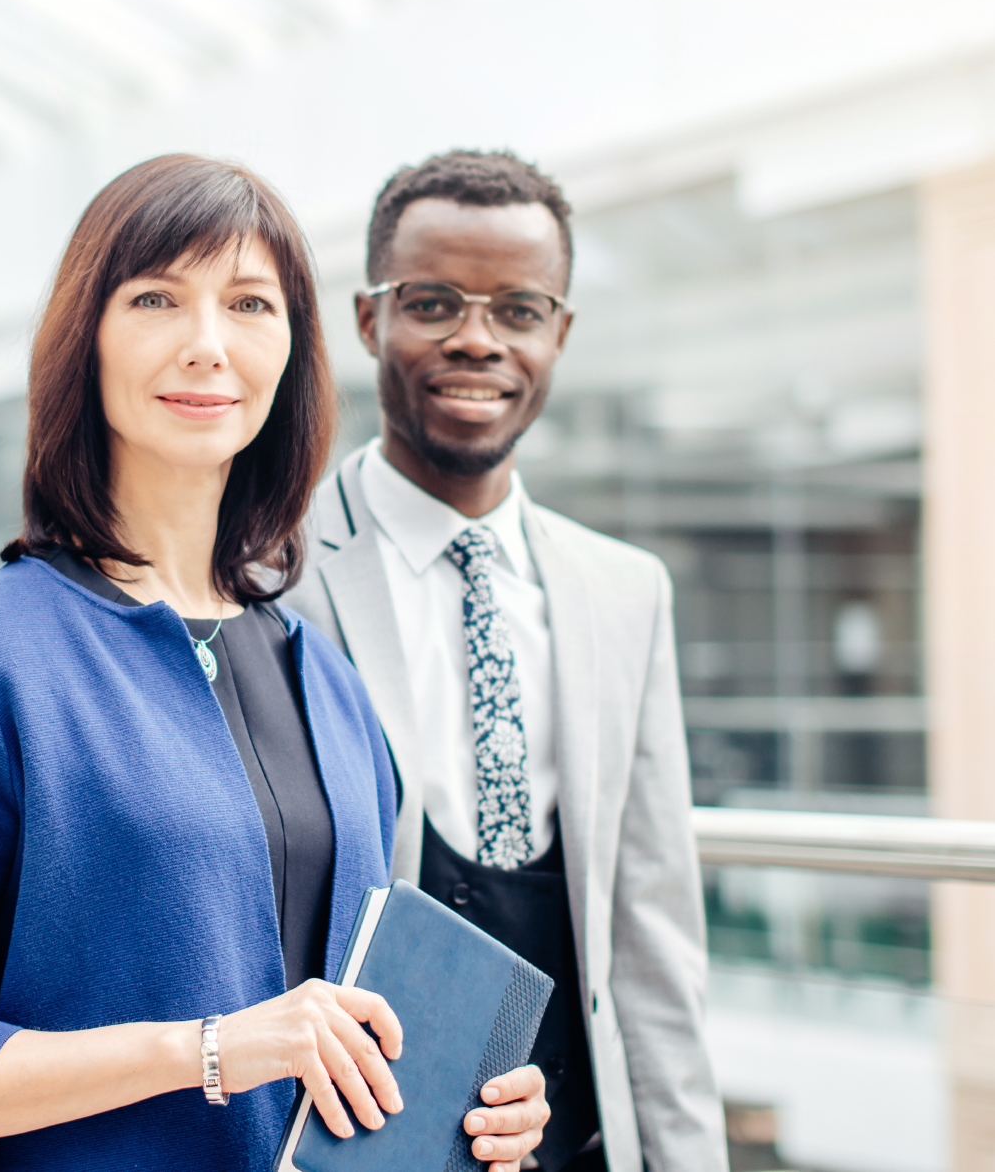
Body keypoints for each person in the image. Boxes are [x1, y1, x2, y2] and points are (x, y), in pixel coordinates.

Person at [0, 155, 550, 1172]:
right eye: (156, 297)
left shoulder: (325, 679)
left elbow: (335, 1027)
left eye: (249, 303)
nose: (207, 346)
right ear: (87, 338)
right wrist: (206, 1051)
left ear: (290, 350)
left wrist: (462, 1107)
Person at [282, 150, 727, 1172]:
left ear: (558, 332)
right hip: (360, 1138)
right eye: (432, 302)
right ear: (367, 320)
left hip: (574, 1141)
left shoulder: (626, 592)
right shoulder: (268, 570)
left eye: (518, 309)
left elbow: (653, 935)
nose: (475, 339)